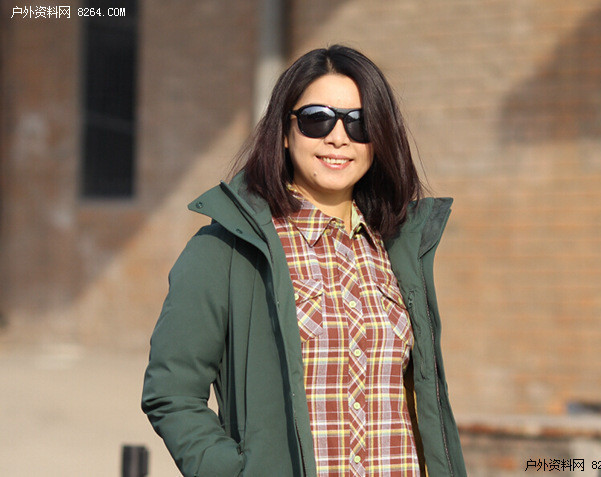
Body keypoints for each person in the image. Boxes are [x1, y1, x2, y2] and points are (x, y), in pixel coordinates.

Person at [142, 44, 466, 477]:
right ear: (284, 130)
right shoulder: (226, 251)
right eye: (317, 119)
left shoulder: (397, 248)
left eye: (359, 123)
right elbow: (172, 393)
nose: (338, 138)